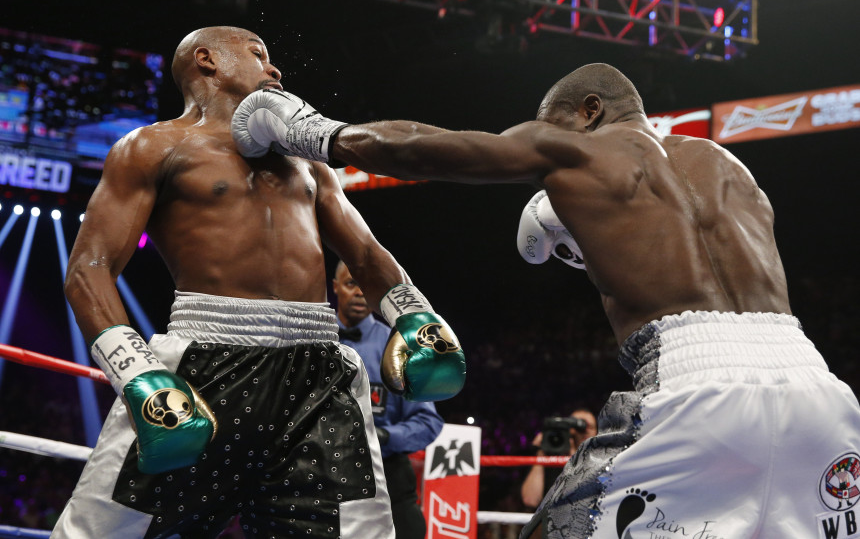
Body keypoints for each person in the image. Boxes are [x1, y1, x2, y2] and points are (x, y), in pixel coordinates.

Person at [231, 63, 860, 539]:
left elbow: (421, 146)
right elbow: (697, 259)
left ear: (587, 112)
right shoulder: (729, 169)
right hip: (819, 392)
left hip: (694, 391)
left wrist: (308, 130)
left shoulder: (578, 148)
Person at [53, 26, 465, 539]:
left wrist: (415, 316)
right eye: (258, 55)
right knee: (107, 532)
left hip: (319, 371)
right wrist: (138, 375)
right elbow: (87, 269)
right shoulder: (154, 146)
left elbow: (363, 253)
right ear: (207, 61)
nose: (275, 70)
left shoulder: (308, 163)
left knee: (354, 532)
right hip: (209, 360)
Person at [333, 260, 443, 538]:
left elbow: (428, 421)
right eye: (350, 283)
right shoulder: (314, 342)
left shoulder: (399, 344)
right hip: (324, 476)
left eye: (363, 285)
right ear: (335, 287)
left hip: (388, 474)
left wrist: (384, 436)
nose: (358, 292)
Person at [519, 409, 596, 510]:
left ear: (596, 431)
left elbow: (584, 499)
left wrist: (572, 456)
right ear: (569, 430)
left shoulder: (604, 459)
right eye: (578, 427)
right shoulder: (550, 460)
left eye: (589, 426)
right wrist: (541, 452)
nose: (584, 430)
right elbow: (530, 500)